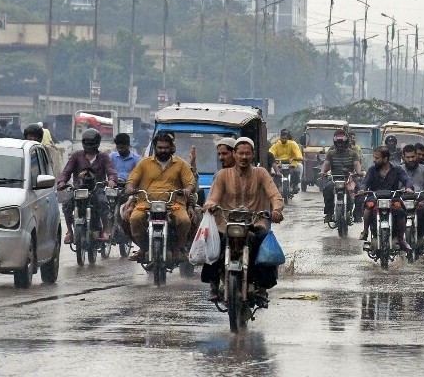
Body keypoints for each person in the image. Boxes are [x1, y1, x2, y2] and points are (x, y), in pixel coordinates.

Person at [202, 137, 284, 301]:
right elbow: (213, 198)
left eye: (247, 154)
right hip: (227, 223)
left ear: (253, 155)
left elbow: (275, 195)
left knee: (264, 245)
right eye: (241, 153)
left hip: (255, 222)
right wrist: (210, 205)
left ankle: (262, 287)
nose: (244, 157)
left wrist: (276, 210)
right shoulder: (222, 175)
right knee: (213, 242)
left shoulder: (261, 173)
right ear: (235, 154)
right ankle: (213, 284)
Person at [125, 132, 196, 262]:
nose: (163, 150)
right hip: (146, 203)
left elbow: (190, 182)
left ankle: (178, 248)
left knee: (185, 220)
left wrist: (187, 189)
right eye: (160, 148)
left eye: (166, 148)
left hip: (174, 203)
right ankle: (144, 248)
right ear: (155, 148)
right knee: (135, 219)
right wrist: (130, 187)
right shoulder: (144, 163)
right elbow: (132, 180)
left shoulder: (180, 164)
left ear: (171, 148)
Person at [58, 128, 117, 244]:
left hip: (97, 189)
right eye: (87, 143)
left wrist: (111, 180)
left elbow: (111, 170)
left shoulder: (103, 157)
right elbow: (67, 171)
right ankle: (70, 231)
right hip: (79, 189)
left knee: (103, 203)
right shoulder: (76, 156)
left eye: (92, 143)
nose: (89, 146)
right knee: (66, 204)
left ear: (97, 143)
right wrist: (62, 182)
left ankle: (105, 230)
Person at [360, 146, 414, 251]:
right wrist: (362, 189)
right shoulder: (372, 170)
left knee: (402, 212)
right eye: (374, 158)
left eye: (377, 158)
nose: (374, 160)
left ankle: (401, 239)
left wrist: (408, 187)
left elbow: (407, 180)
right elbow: (365, 182)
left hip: (393, 199)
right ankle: (365, 231)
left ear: (385, 159)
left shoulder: (397, 169)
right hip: (374, 198)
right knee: (368, 208)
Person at [320, 130, 363, 223]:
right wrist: (322, 171)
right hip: (335, 178)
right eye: (338, 143)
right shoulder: (331, 153)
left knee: (360, 192)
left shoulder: (353, 153)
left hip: (350, 178)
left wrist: (359, 172)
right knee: (327, 189)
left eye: (342, 143)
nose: (340, 145)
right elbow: (326, 164)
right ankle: (329, 213)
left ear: (346, 142)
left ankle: (357, 215)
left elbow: (357, 164)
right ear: (335, 143)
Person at [269, 129, 303, 194]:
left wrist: (298, 157)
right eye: (282, 138)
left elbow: (297, 152)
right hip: (280, 164)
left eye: (285, 138)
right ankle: (277, 186)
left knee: (298, 169)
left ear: (287, 138)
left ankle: (295, 185)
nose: (283, 140)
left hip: (292, 164)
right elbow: (271, 152)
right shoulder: (276, 145)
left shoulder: (292, 144)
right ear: (280, 137)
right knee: (275, 173)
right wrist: (271, 157)